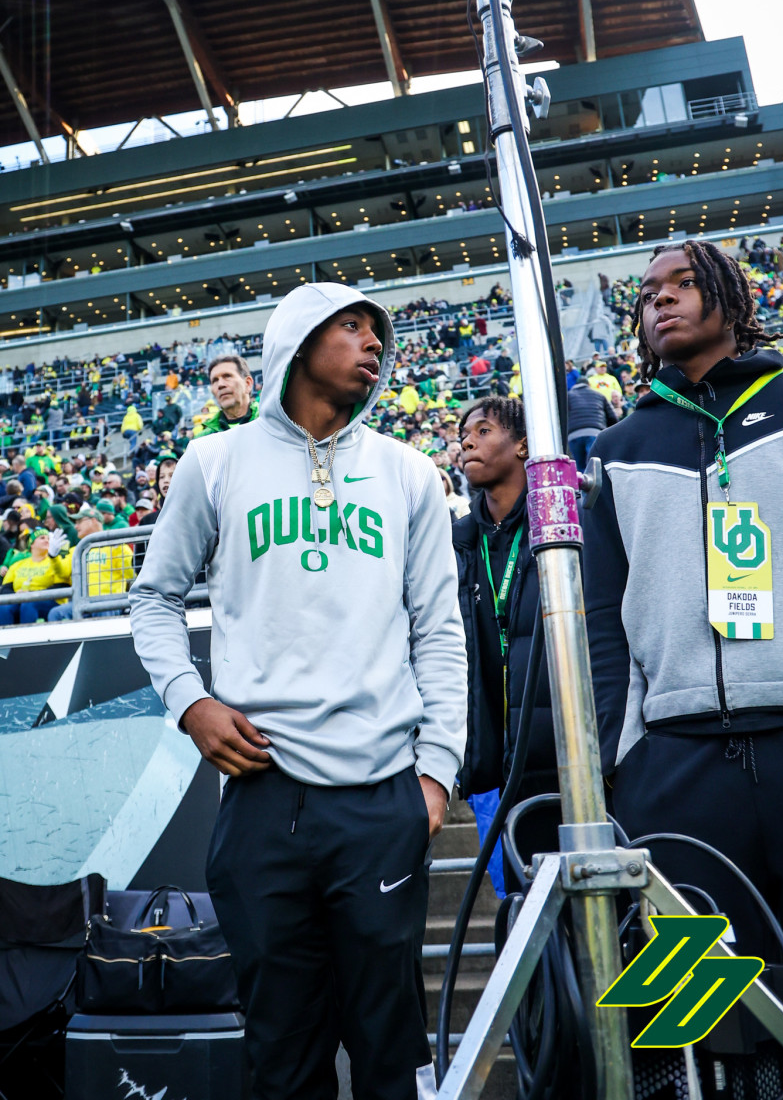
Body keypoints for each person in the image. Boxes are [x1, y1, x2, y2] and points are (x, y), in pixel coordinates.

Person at [129, 282, 467, 1100]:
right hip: (259, 792)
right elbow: (154, 597)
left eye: (377, 330)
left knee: (391, 1052)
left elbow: (440, 630)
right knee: (281, 1054)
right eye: (351, 326)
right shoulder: (213, 463)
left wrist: (435, 773)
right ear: (298, 339)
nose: (373, 342)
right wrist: (190, 700)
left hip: (382, 796)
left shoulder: (410, 473)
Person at [584, 239, 783, 960]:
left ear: (732, 298)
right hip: (673, 761)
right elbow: (602, 618)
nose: (661, 298)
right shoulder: (617, 448)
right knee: (705, 1007)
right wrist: (628, 757)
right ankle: (737, 1082)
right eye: (648, 294)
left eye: (682, 282)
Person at [453, 398, 555, 808]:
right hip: (497, 760)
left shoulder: (559, 525)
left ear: (523, 446)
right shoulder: (457, 541)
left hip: (563, 756)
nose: (467, 444)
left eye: (482, 431)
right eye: (463, 437)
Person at [0, 526, 70, 624]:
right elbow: (5, 589)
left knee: (28, 605)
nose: (47, 540)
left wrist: (34, 594)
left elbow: (62, 585)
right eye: (42, 538)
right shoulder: (18, 565)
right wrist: (16, 595)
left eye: (48, 538)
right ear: (31, 544)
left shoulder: (56, 561)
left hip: (50, 601)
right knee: (4, 608)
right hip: (20, 600)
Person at [195, 355, 259, 437]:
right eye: (215, 380)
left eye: (227, 376)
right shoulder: (202, 440)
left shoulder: (272, 423)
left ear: (248, 384)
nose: (220, 384)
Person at [566, 374, 617, 470]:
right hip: (595, 433)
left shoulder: (568, 396)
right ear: (589, 384)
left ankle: (583, 484)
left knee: (581, 468)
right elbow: (612, 417)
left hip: (574, 436)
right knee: (596, 467)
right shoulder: (599, 395)